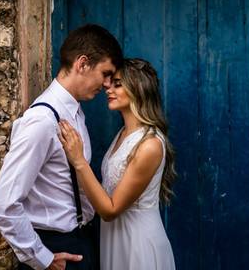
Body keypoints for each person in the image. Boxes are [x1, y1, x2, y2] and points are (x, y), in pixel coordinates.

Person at [0, 24, 123, 270]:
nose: (107, 84)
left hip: (81, 240)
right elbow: (3, 204)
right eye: (105, 73)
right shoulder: (41, 121)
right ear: (82, 64)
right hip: (56, 247)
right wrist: (42, 258)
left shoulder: (74, 112)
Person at [57, 58, 177, 270]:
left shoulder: (149, 144)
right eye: (110, 83)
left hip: (138, 243)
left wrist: (78, 161)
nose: (108, 89)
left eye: (118, 84)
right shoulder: (123, 133)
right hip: (114, 239)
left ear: (138, 88)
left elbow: (111, 210)